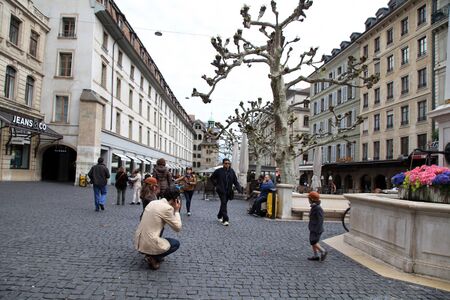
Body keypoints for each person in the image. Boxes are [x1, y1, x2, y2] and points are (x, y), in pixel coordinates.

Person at [134, 187, 182, 270]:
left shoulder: (153, 202)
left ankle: (151, 254)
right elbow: (177, 228)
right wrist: (177, 211)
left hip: (139, 241)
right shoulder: (167, 208)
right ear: (175, 199)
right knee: (175, 243)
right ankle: (154, 257)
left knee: (158, 232)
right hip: (148, 243)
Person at [210, 158, 243, 226]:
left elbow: (235, 181)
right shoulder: (218, 171)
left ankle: (219, 215)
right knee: (224, 203)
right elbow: (212, 178)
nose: (227, 164)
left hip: (229, 191)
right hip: (221, 190)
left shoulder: (232, 171)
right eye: (226, 163)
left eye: (228, 163)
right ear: (223, 164)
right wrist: (216, 185)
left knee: (223, 204)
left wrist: (239, 188)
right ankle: (225, 220)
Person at [307, 191, 328, 261]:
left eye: (309, 199)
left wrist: (316, 229)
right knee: (312, 241)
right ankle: (315, 255)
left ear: (312, 199)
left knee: (313, 242)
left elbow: (320, 220)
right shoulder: (314, 206)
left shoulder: (318, 208)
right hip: (313, 228)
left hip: (316, 229)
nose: (308, 200)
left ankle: (323, 251)